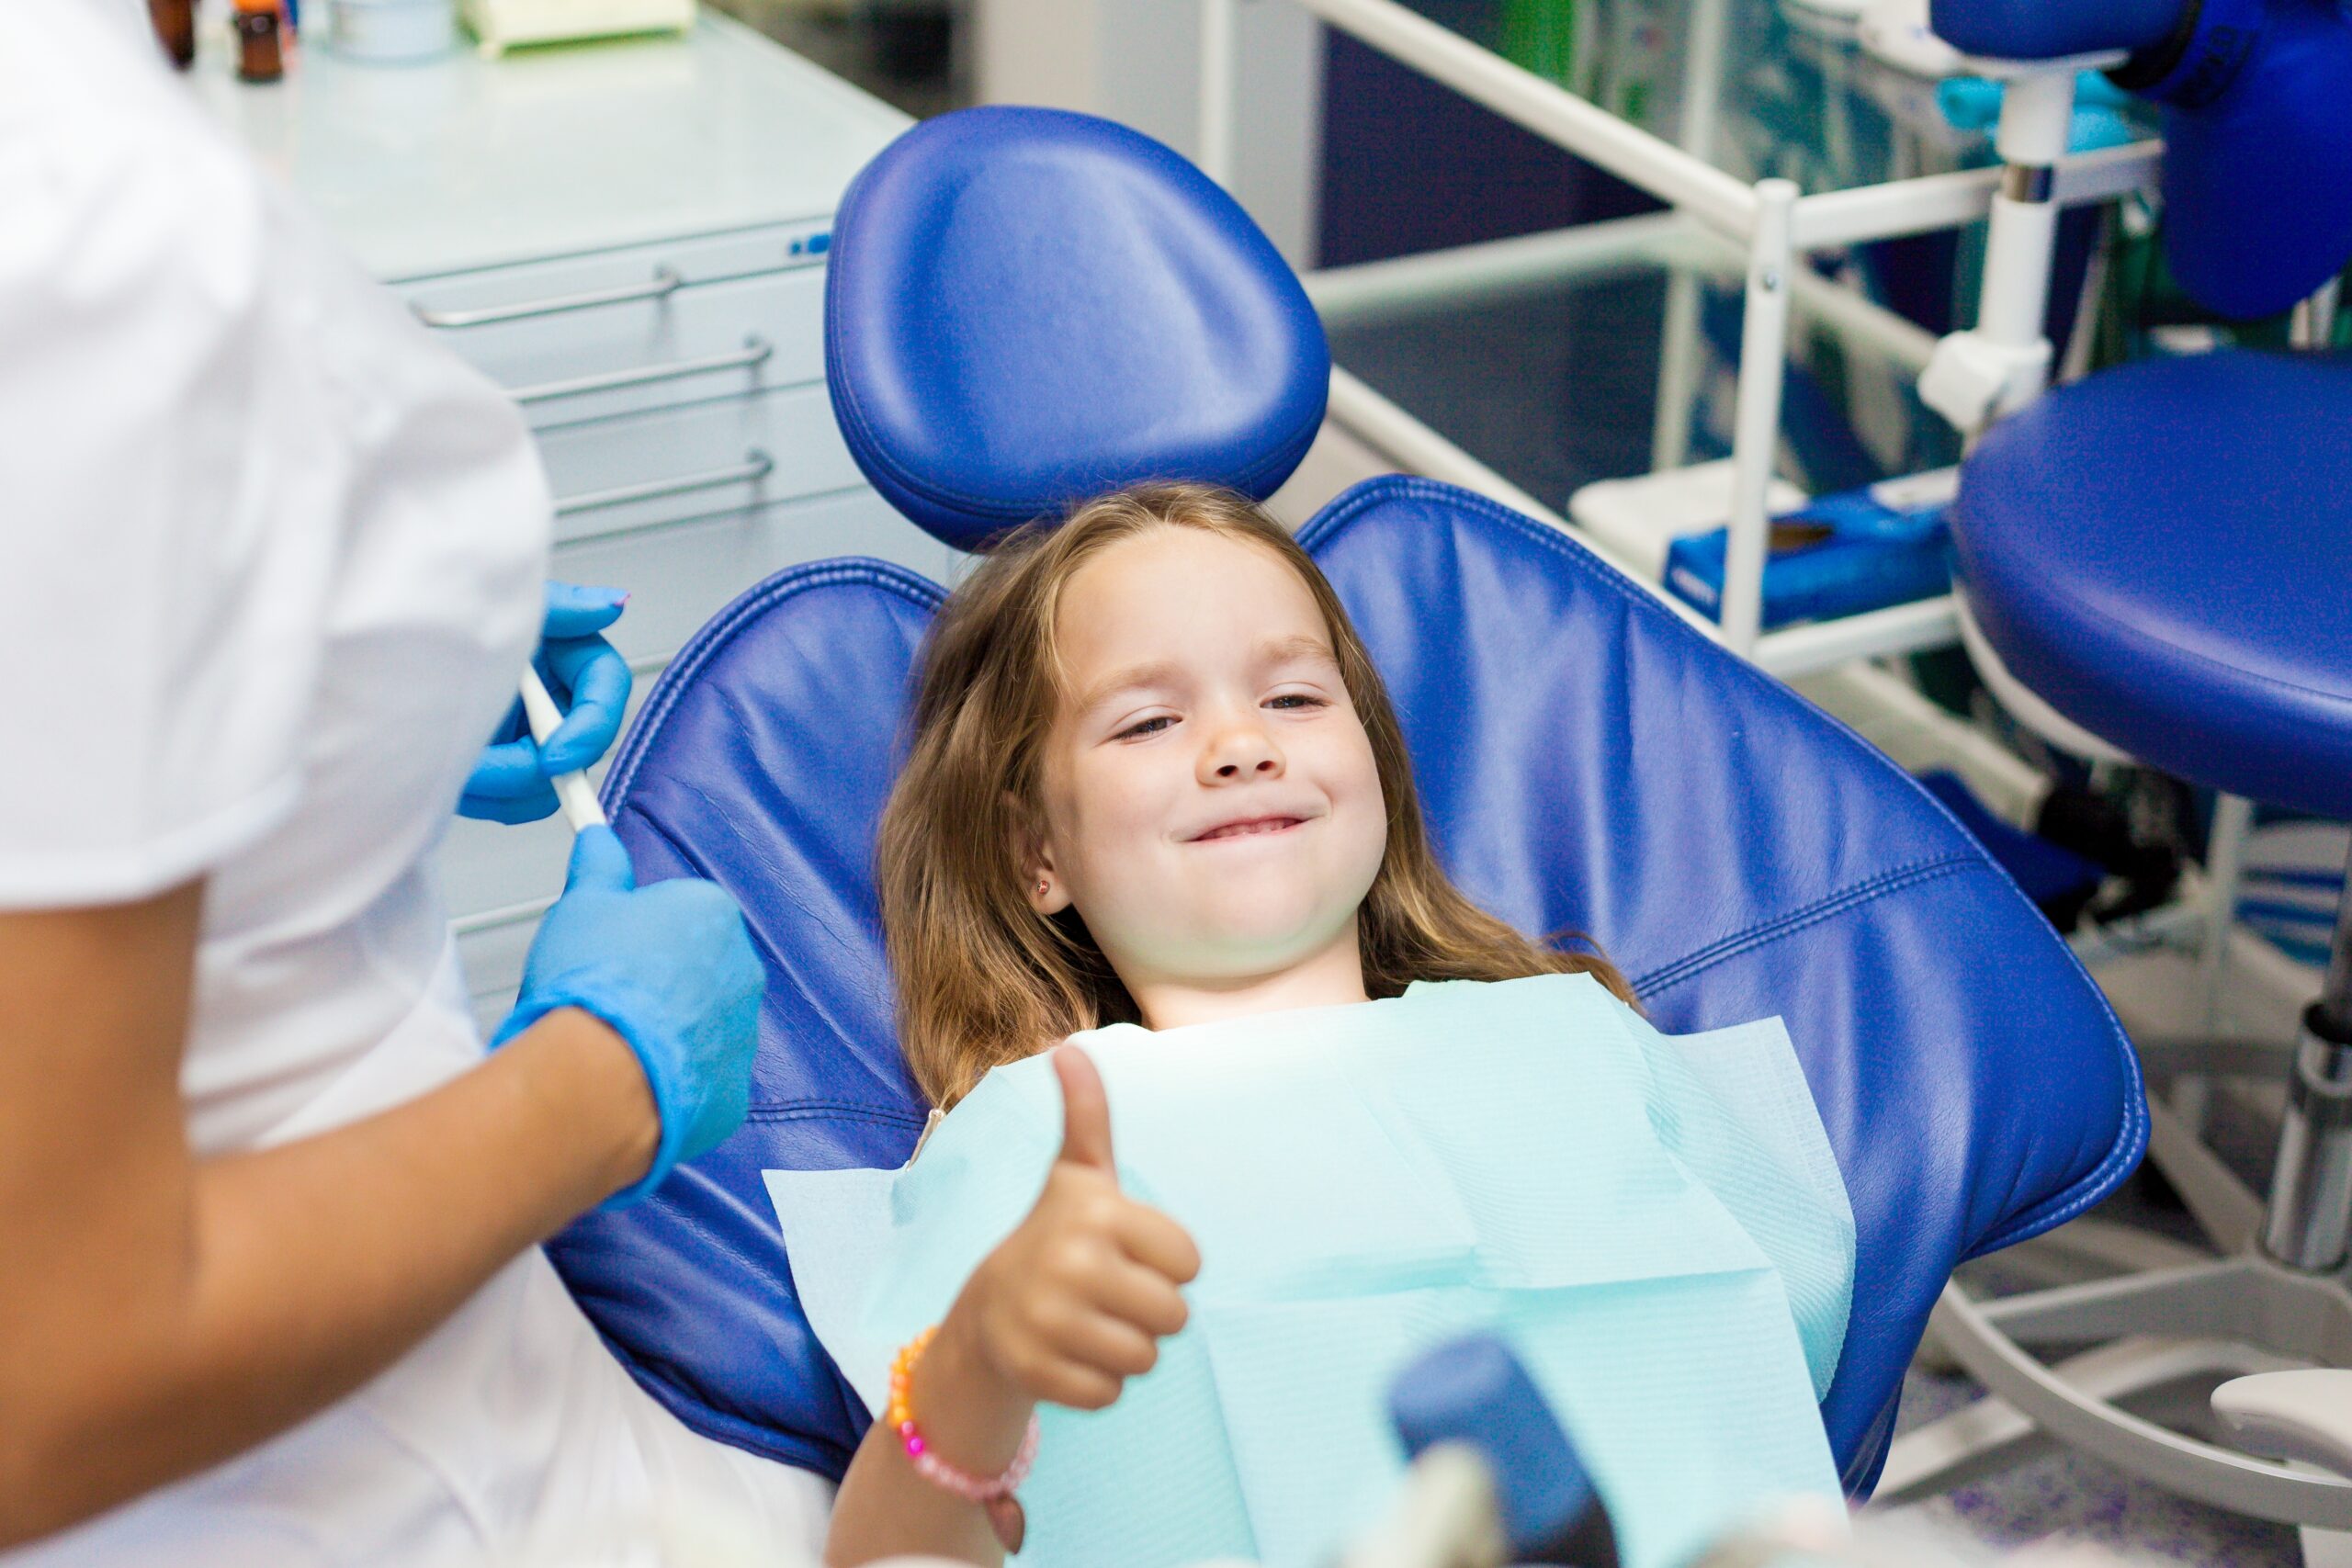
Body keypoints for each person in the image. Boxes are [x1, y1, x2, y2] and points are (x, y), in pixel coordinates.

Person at [0, 4, 831, 1562]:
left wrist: (335, 707)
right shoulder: (73, 210)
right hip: (320, 1480)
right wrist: (602, 1080)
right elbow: (47, 1379)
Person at [822, 483, 1646, 1565]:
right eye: (1149, 720)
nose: (1239, 743)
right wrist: (976, 1350)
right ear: (1039, 855)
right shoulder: (1039, 1147)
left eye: (1296, 700)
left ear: (1378, 772)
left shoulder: (1564, 1041)